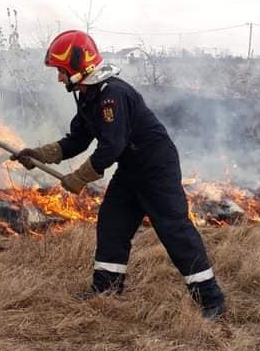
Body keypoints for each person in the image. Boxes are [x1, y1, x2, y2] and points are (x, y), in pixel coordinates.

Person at [12, 29, 226, 319]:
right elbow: (77, 140)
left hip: (156, 169)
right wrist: (37, 155)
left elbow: (112, 146)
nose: (59, 78)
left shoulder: (113, 95)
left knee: (174, 231)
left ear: (78, 66)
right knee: (112, 224)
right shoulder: (89, 95)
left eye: (61, 71)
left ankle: (211, 300)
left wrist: (79, 177)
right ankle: (107, 290)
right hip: (131, 171)